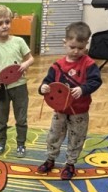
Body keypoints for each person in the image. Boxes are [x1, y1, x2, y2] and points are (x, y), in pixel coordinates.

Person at [36, 22, 101, 180]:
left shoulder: (89, 64)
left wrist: (83, 89)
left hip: (79, 110)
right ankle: (50, 159)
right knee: (54, 134)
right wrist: (43, 87)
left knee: (77, 137)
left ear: (86, 44)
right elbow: (48, 82)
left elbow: (96, 81)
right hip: (59, 110)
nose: (76, 51)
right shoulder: (57, 66)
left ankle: (70, 163)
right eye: (72, 47)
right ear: (64, 42)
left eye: (80, 48)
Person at [0, 5, 34, 157]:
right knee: (1, 119)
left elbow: (30, 58)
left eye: (7, 22)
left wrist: (25, 64)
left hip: (20, 86)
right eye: (0, 23)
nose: (4, 26)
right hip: (2, 89)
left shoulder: (19, 41)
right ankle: (1, 143)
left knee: (21, 118)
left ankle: (21, 144)